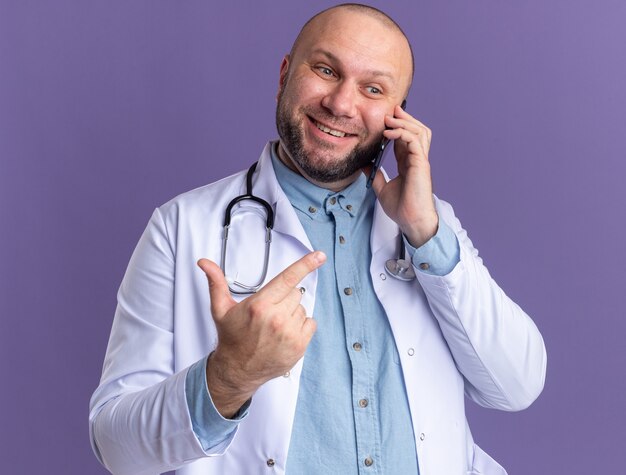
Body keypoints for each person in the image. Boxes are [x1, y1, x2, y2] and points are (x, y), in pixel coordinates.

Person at [89, 3, 546, 475]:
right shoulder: (183, 227)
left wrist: (427, 236)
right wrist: (227, 378)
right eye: (326, 70)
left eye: (373, 88)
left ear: (398, 116)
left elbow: (517, 385)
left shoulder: (429, 226)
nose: (342, 104)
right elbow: (116, 447)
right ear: (285, 73)